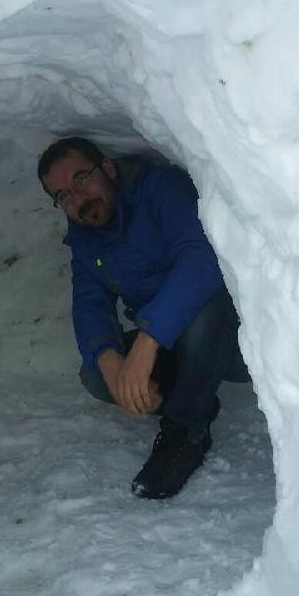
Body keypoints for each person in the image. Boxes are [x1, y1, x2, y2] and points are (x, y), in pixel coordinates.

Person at [37, 136, 249, 499]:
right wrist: (110, 360)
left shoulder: (161, 188)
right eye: (63, 195)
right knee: (97, 377)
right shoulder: (86, 236)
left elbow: (201, 260)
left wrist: (147, 342)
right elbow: (89, 304)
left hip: (232, 339)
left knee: (204, 307)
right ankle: (192, 397)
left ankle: (186, 429)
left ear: (107, 167)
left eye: (81, 179)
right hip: (172, 342)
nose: (77, 198)